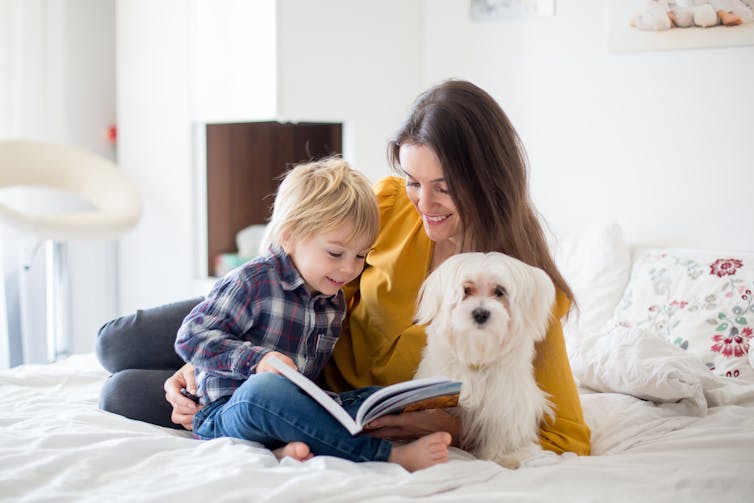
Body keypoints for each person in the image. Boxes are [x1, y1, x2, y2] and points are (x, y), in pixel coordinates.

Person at [96, 79, 591, 463]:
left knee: (120, 392)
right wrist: (217, 356)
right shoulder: (393, 205)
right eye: (413, 180)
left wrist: (453, 426)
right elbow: (300, 245)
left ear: (488, 179)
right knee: (114, 345)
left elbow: (565, 433)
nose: (425, 203)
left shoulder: (521, 288)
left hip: (309, 375)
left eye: (443, 186)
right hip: (274, 308)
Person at [168, 157, 451, 470]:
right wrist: (257, 360)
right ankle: (385, 455)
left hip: (292, 407)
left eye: (361, 255)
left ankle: (279, 451)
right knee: (266, 391)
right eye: (335, 253)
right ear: (289, 235)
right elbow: (191, 337)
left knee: (376, 400)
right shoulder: (252, 280)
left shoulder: (332, 300)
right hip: (228, 409)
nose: (349, 268)